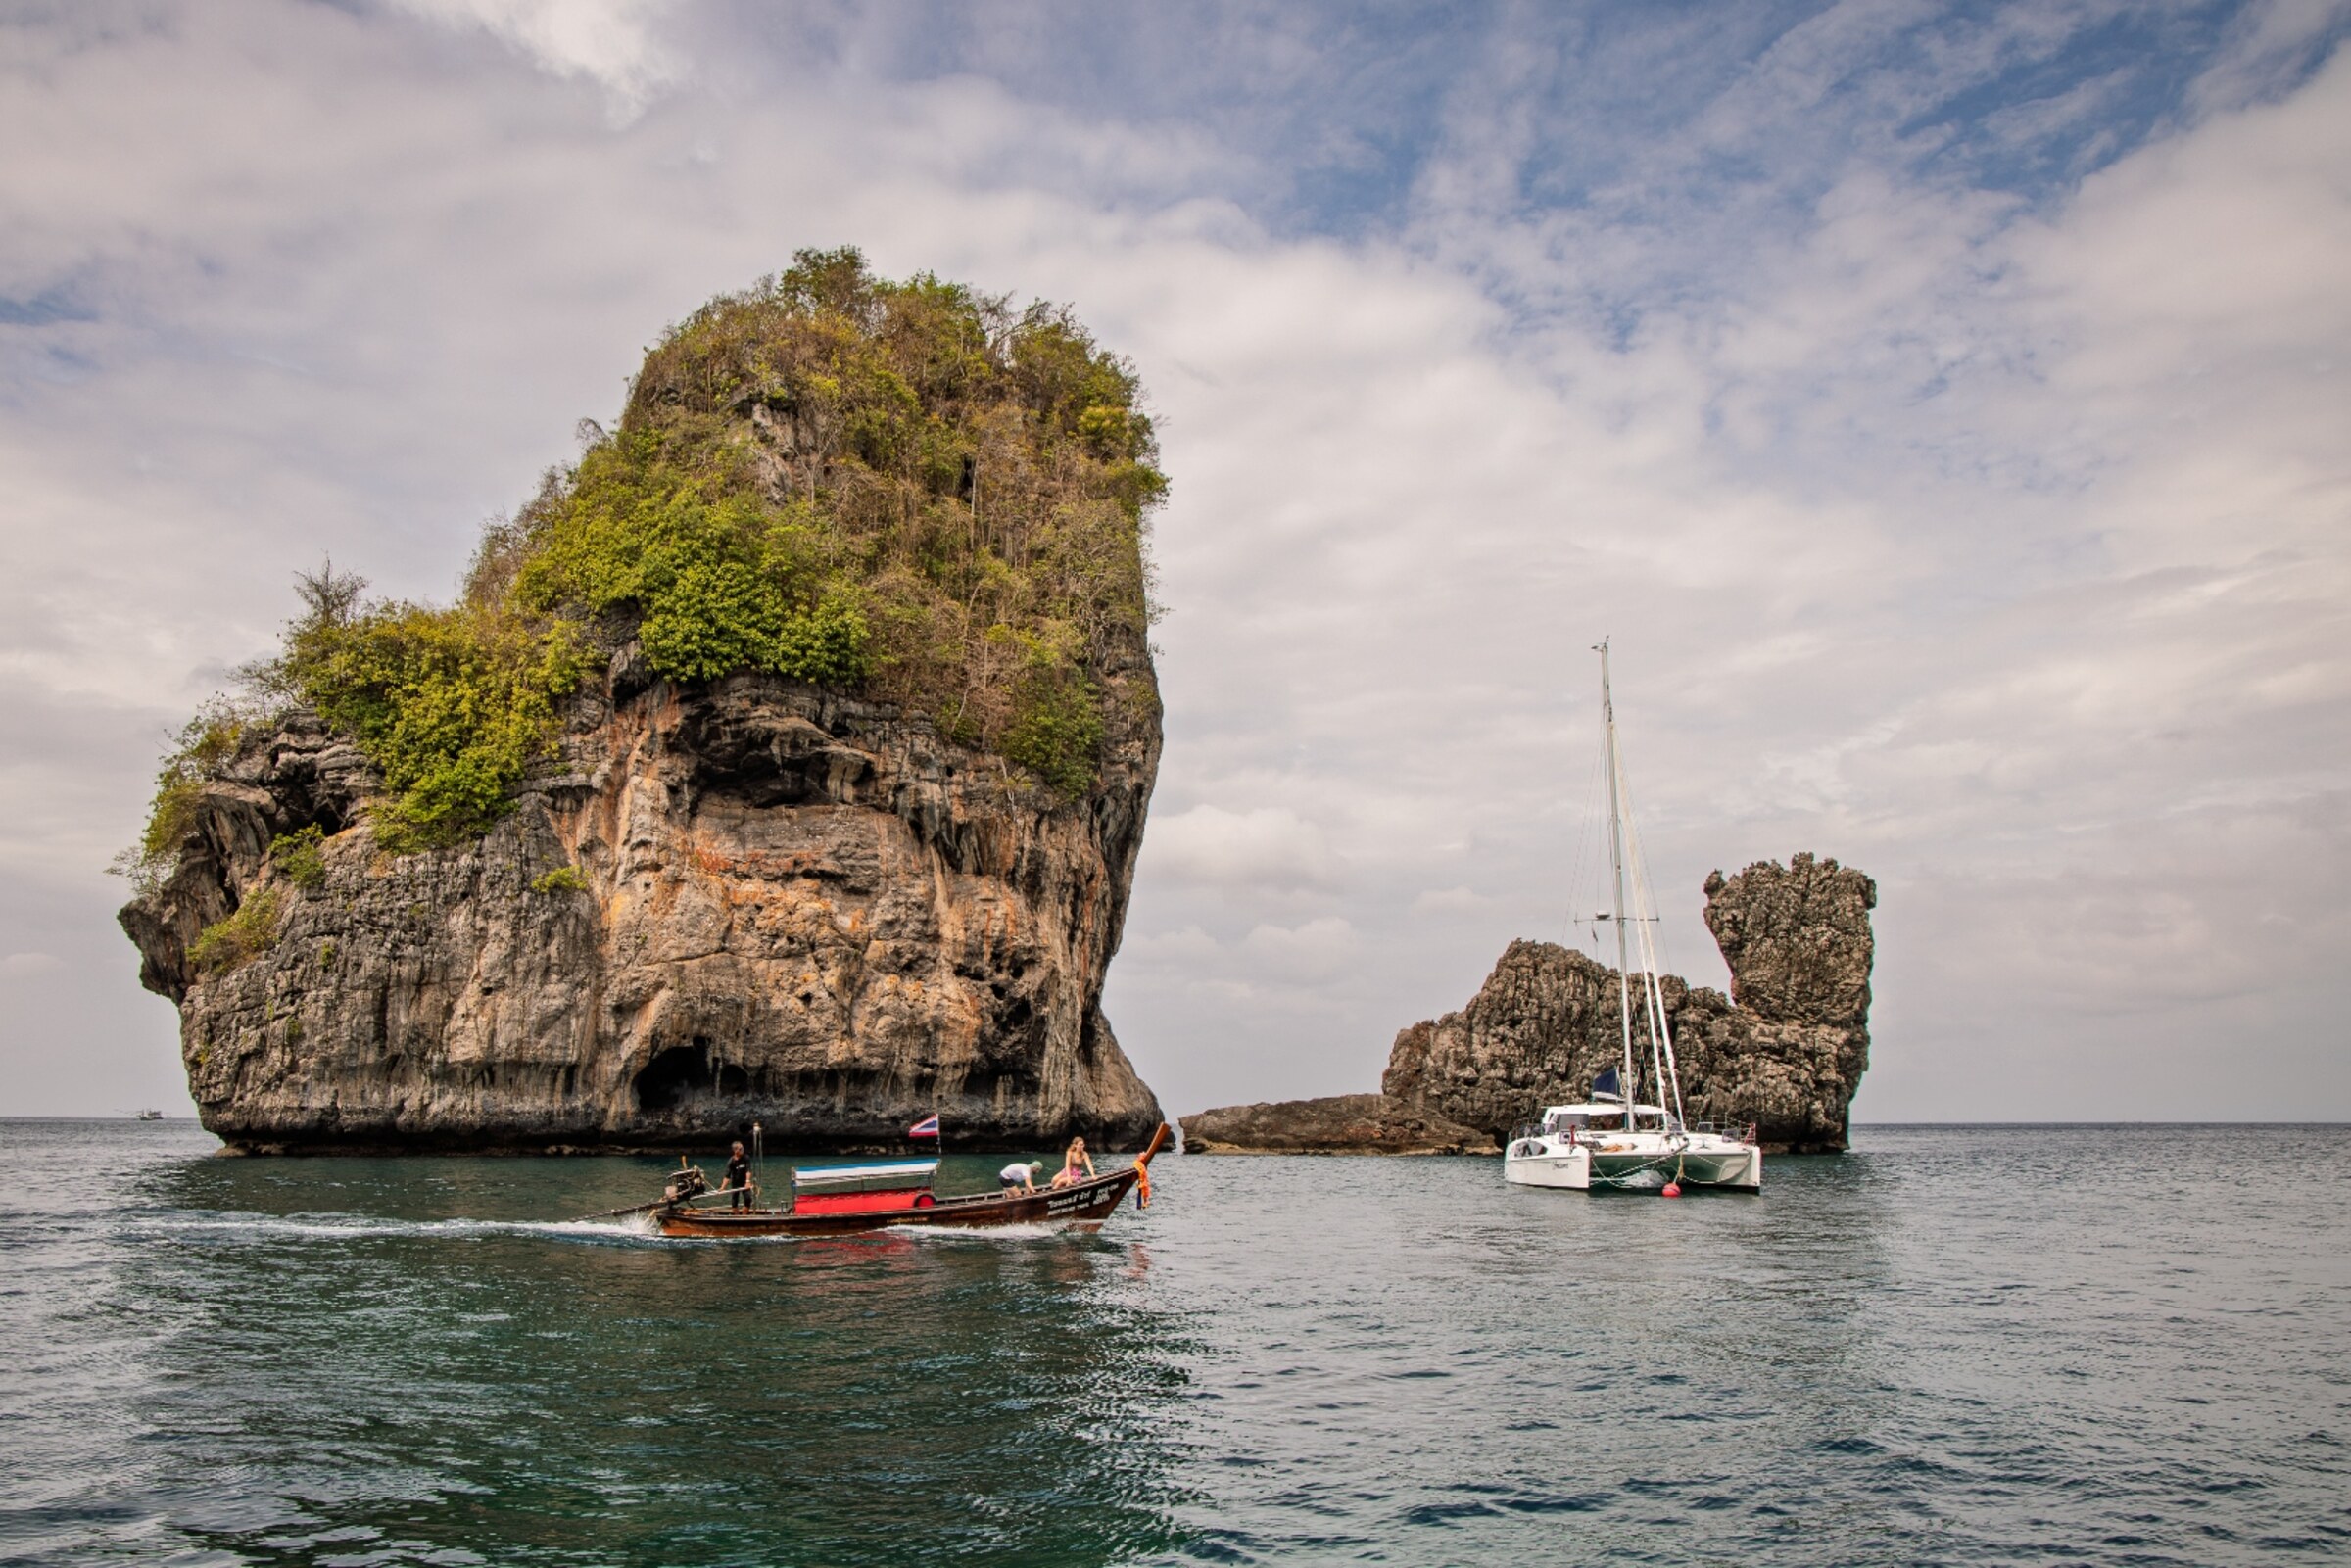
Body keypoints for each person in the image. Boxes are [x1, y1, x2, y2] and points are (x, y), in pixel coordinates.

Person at [724, 1141, 754, 1210]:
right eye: (740, 1149)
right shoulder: (731, 1161)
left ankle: (744, 1217)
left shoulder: (746, 1157)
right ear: (735, 1150)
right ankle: (736, 1217)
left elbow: (748, 1170)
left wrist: (748, 1181)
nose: (742, 1150)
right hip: (735, 1183)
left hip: (745, 1182)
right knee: (734, 1202)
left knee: (748, 1199)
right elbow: (727, 1176)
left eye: (742, 1148)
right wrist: (723, 1187)